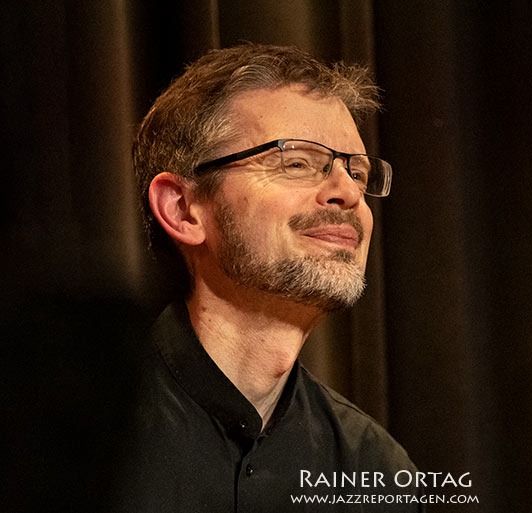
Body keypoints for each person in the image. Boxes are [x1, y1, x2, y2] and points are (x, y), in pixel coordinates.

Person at [111, 44, 422, 511]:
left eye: (356, 173)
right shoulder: (65, 431)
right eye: (296, 162)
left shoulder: (374, 469)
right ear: (182, 209)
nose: (347, 194)